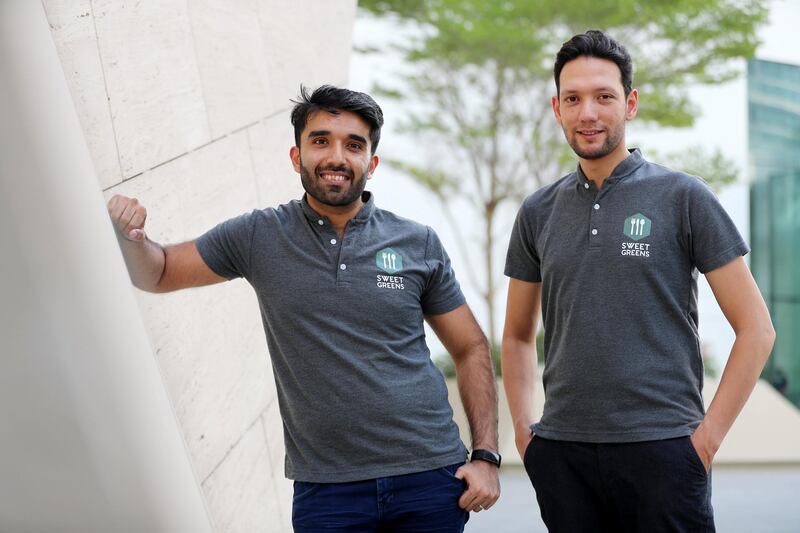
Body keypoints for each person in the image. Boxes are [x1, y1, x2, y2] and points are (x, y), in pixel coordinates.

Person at [108, 85, 500, 532]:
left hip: (429, 476)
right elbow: (158, 273)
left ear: (371, 164)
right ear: (297, 157)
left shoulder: (417, 241)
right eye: (321, 140)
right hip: (327, 490)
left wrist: (485, 455)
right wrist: (131, 240)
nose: (337, 156)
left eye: (354, 145)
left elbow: (470, 346)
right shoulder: (258, 236)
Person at [501, 30, 775, 532]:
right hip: (563, 457)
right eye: (573, 98)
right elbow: (517, 334)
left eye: (604, 96)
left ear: (629, 103)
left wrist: (704, 442)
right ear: (556, 108)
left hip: (666, 452)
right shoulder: (537, 211)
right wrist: (526, 436)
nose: (588, 113)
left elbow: (757, 329)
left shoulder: (684, 197)